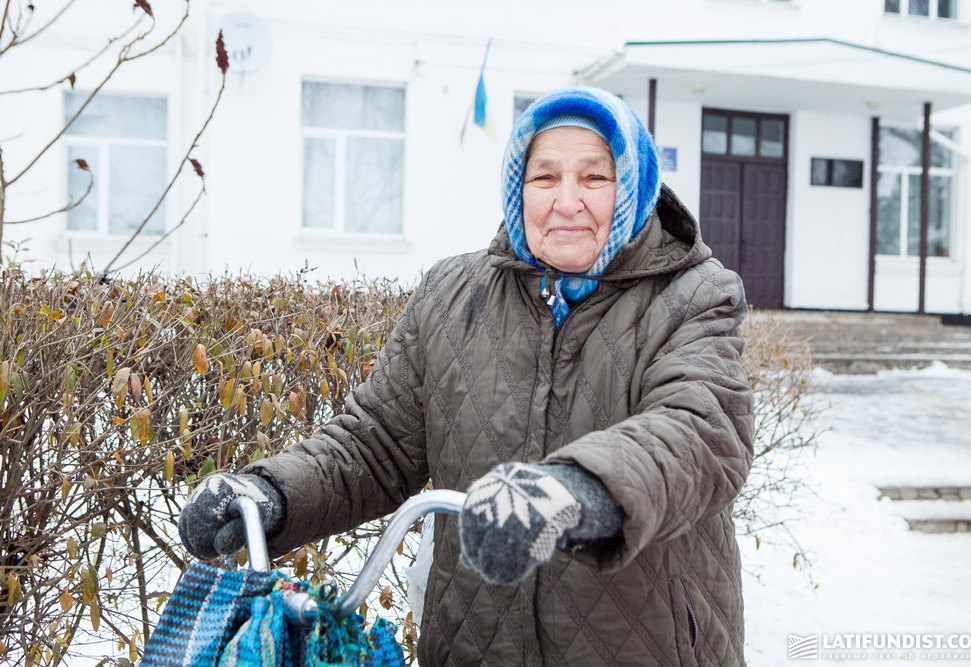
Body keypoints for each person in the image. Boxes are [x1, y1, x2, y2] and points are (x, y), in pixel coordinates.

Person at [178, 86, 754, 666]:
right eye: (545, 178)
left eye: (595, 179)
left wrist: (574, 490)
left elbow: (698, 430)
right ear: (516, 188)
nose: (568, 201)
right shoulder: (453, 295)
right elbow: (375, 443)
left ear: (633, 185)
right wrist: (272, 494)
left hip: (643, 645)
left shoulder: (693, 294)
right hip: (476, 644)